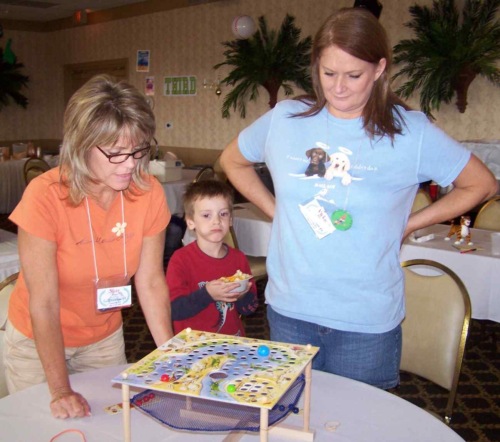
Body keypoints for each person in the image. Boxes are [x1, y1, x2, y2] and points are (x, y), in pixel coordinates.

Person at [220, 8, 498, 389]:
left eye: (354, 75)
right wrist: (277, 211)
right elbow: (231, 161)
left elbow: (481, 184)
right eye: (328, 73)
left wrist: (410, 223)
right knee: (293, 417)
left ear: (379, 69)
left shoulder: (408, 132)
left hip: (366, 320)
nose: (338, 88)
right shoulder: (285, 119)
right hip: (290, 309)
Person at [4, 75, 173, 418]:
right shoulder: (46, 196)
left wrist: (169, 356)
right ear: (81, 145)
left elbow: (151, 281)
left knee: (110, 425)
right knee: (46, 428)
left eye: (139, 149)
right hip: (38, 342)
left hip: (103, 337)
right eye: (115, 153)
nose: (130, 163)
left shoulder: (148, 191)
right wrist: (61, 389)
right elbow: (45, 302)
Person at [166, 180, 258, 335]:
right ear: (190, 222)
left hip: (231, 341)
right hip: (192, 346)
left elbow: (250, 308)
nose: (216, 221)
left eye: (223, 214)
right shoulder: (180, 260)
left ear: (230, 220)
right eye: (206, 215)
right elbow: (174, 310)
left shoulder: (238, 258)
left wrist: (242, 295)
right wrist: (207, 294)